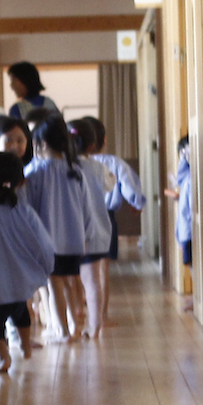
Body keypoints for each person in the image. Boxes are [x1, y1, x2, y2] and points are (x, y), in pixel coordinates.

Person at [0, 152, 55, 372]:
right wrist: (46, 267)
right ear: (22, 181)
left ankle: (2, 355)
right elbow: (42, 244)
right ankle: (26, 345)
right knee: (21, 314)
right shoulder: (24, 212)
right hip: (19, 280)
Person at [22, 114, 99, 342]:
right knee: (70, 282)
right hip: (75, 239)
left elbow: (29, 209)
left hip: (48, 240)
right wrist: (86, 234)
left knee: (54, 283)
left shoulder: (34, 173)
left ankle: (63, 331)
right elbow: (87, 208)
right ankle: (76, 326)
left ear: (42, 144)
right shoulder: (75, 172)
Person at [83, 114, 146, 321]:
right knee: (102, 266)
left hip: (80, 217)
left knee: (82, 268)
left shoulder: (75, 163)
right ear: (104, 140)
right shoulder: (112, 163)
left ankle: (84, 310)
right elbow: (128, 184)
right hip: (106, 217)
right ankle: (103, 314)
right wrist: (137, 203)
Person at [68, 119, 115, 339]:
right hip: (98, 231)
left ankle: (72, 321)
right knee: (93, 281)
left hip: (72, 234)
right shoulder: (98, 167)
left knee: (69, 280)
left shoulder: (66, 168)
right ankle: (95, 325)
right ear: (92, 145)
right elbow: (110, 186)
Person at [165, 135, 194, 312]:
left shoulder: (190, 178)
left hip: (190, 227)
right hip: (186, 226)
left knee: (192, 263)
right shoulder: (187, 178)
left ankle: (198, 298)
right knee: (190, 262)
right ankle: (197, 297)